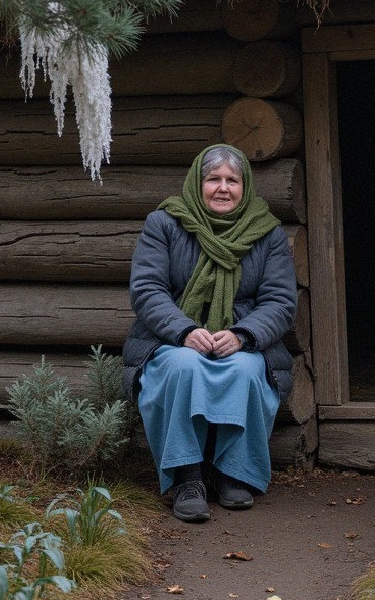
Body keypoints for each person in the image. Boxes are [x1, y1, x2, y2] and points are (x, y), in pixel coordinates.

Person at [123, 144, 298, 522]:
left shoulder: (267, 233)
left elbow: (281, 301)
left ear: (244, 186)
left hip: (241, 341)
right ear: (197, 184)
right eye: (213, 179)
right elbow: (147, 290)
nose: (223, 188)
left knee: (245, 370)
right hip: (170, 340)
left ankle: (232, 473)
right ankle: (187, 478)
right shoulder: (165, 223)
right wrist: (184, 330)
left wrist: (243, 335)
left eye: (232, 180)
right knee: (185, 366)